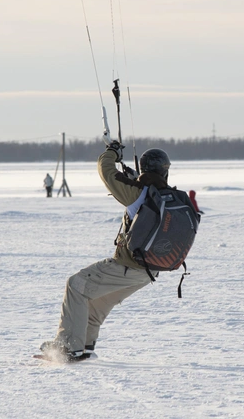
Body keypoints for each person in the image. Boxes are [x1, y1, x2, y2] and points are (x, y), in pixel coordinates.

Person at [40, 142, 173, 361]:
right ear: (165, 170)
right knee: (94, 302)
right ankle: (84, 347)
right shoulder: (163, 194)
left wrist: (110, 152)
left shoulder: (138, 192)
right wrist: (133, 177)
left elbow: (107, 173)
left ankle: (67, 347)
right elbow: (141, 194)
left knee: (77, 285)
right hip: (149, 271)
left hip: (129, 266)